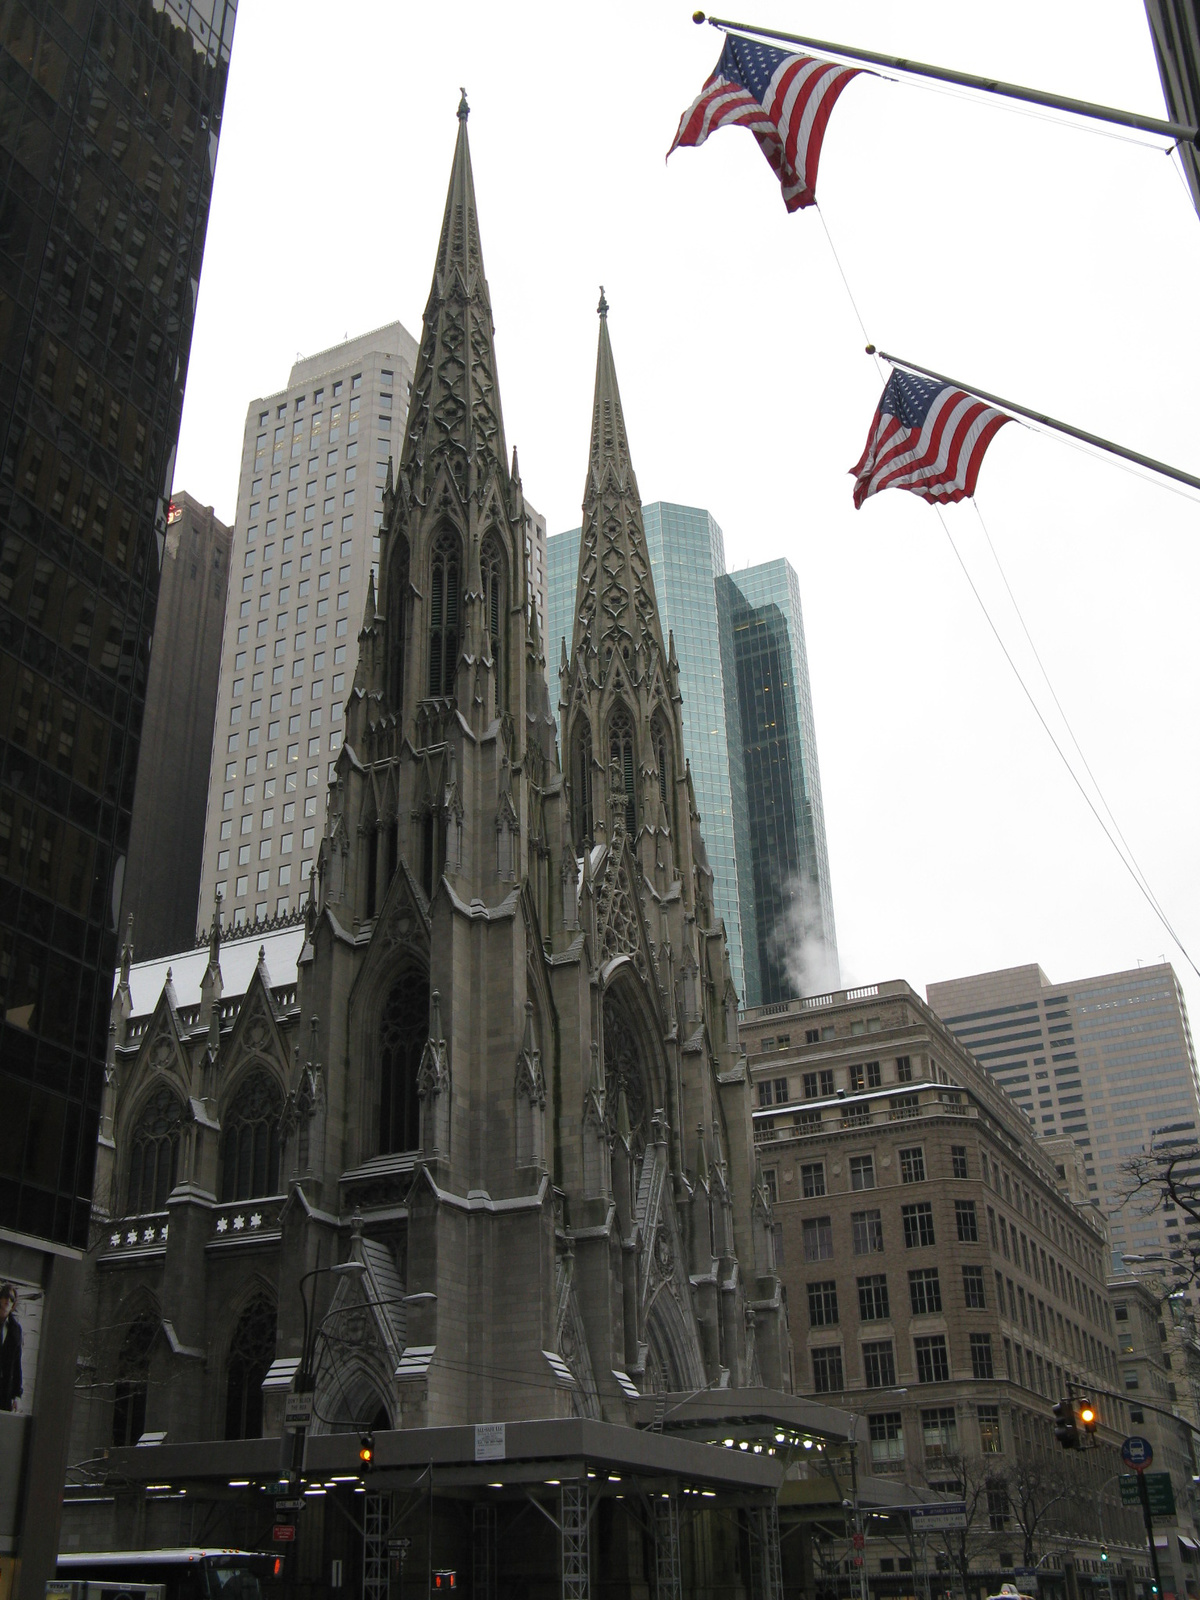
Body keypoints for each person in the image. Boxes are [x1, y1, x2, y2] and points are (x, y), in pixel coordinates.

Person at [0, 1283, 23, 1411]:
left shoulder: (15, 1330)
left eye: (11, 1299)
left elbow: (17, 1364)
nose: (7, 1301)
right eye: (5, 1297)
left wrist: (17, 1395)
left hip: (4, 1391)